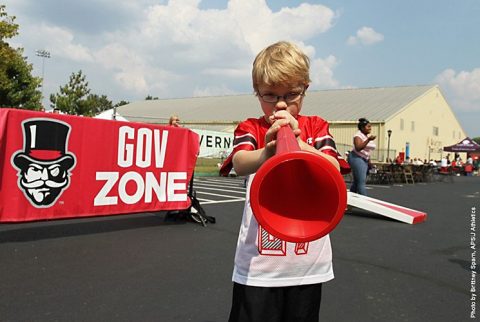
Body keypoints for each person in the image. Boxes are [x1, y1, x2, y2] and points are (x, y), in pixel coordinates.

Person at [220, 41, 349, 322]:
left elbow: (332, 167)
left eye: (291, 94)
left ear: (305, 89)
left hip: (307, 265)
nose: (280, 104)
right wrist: (267, 151)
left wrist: (299, 142)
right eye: (269, 95)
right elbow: (240, 164)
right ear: (257, 93)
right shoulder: (251, 127)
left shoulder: (315, 126)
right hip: (259, 268)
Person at [348, 118, 376, 196]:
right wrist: (368, 140)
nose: (370, 128)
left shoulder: (366, 136)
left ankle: (349, 201)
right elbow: (358, 147)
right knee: (361, 182)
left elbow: (367, 151)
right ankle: (366, 201)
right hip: (356, 158)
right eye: (368, 126)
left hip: (364, 159)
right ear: (362, 128)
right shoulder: (358, 136)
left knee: (357, 182)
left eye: (370, 126)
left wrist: (369, 161)